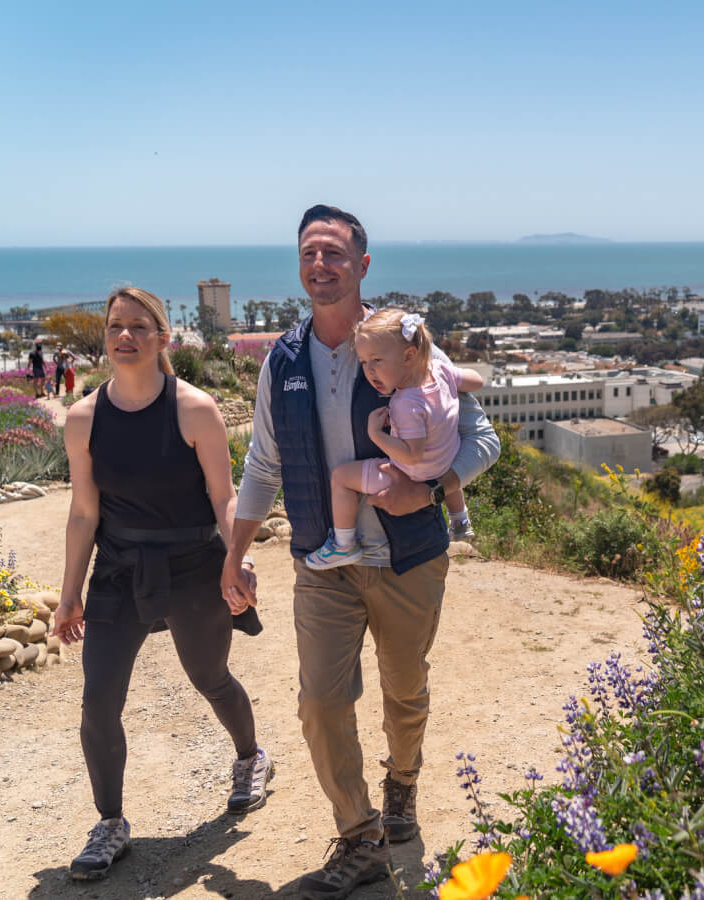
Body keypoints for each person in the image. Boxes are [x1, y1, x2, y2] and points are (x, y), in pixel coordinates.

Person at [220, 205, 499, 899]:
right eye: (310, 253)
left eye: (336, 254)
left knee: (405, 692)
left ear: (362, 265)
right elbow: (262, 466)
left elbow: (483, 440)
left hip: (408, 559)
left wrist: (435, 488)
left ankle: (401, 783)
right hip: (323, 561)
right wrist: (235, 554)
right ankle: (360, 835)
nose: (322, 265)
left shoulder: (410, 351)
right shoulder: (281, 362)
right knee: (319, 702)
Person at [53, 287, 272, 882]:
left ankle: (251, 758)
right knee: (98, 699)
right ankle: (111, 822)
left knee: (209, 677)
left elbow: (224, 498)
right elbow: (83, 513)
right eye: (115, 326)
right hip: (119, 570)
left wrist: (238, 559)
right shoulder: (83, 418)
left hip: (191, 564)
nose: (125, 337)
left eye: (139, 327)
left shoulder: (195, 409)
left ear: (161, 338)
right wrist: (70, 593)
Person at [304, 308, 483, 569]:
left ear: (409, 355)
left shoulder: (405, 402)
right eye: (364, 362)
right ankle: (460, 520)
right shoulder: (440, 372)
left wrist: (375, 434)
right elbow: (476, 381)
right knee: (450, 470)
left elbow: (411, 455)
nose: (369, 370)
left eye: (376, 360)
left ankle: (343, 545)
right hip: (446, 464)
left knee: (341, 477)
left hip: (412, 474)